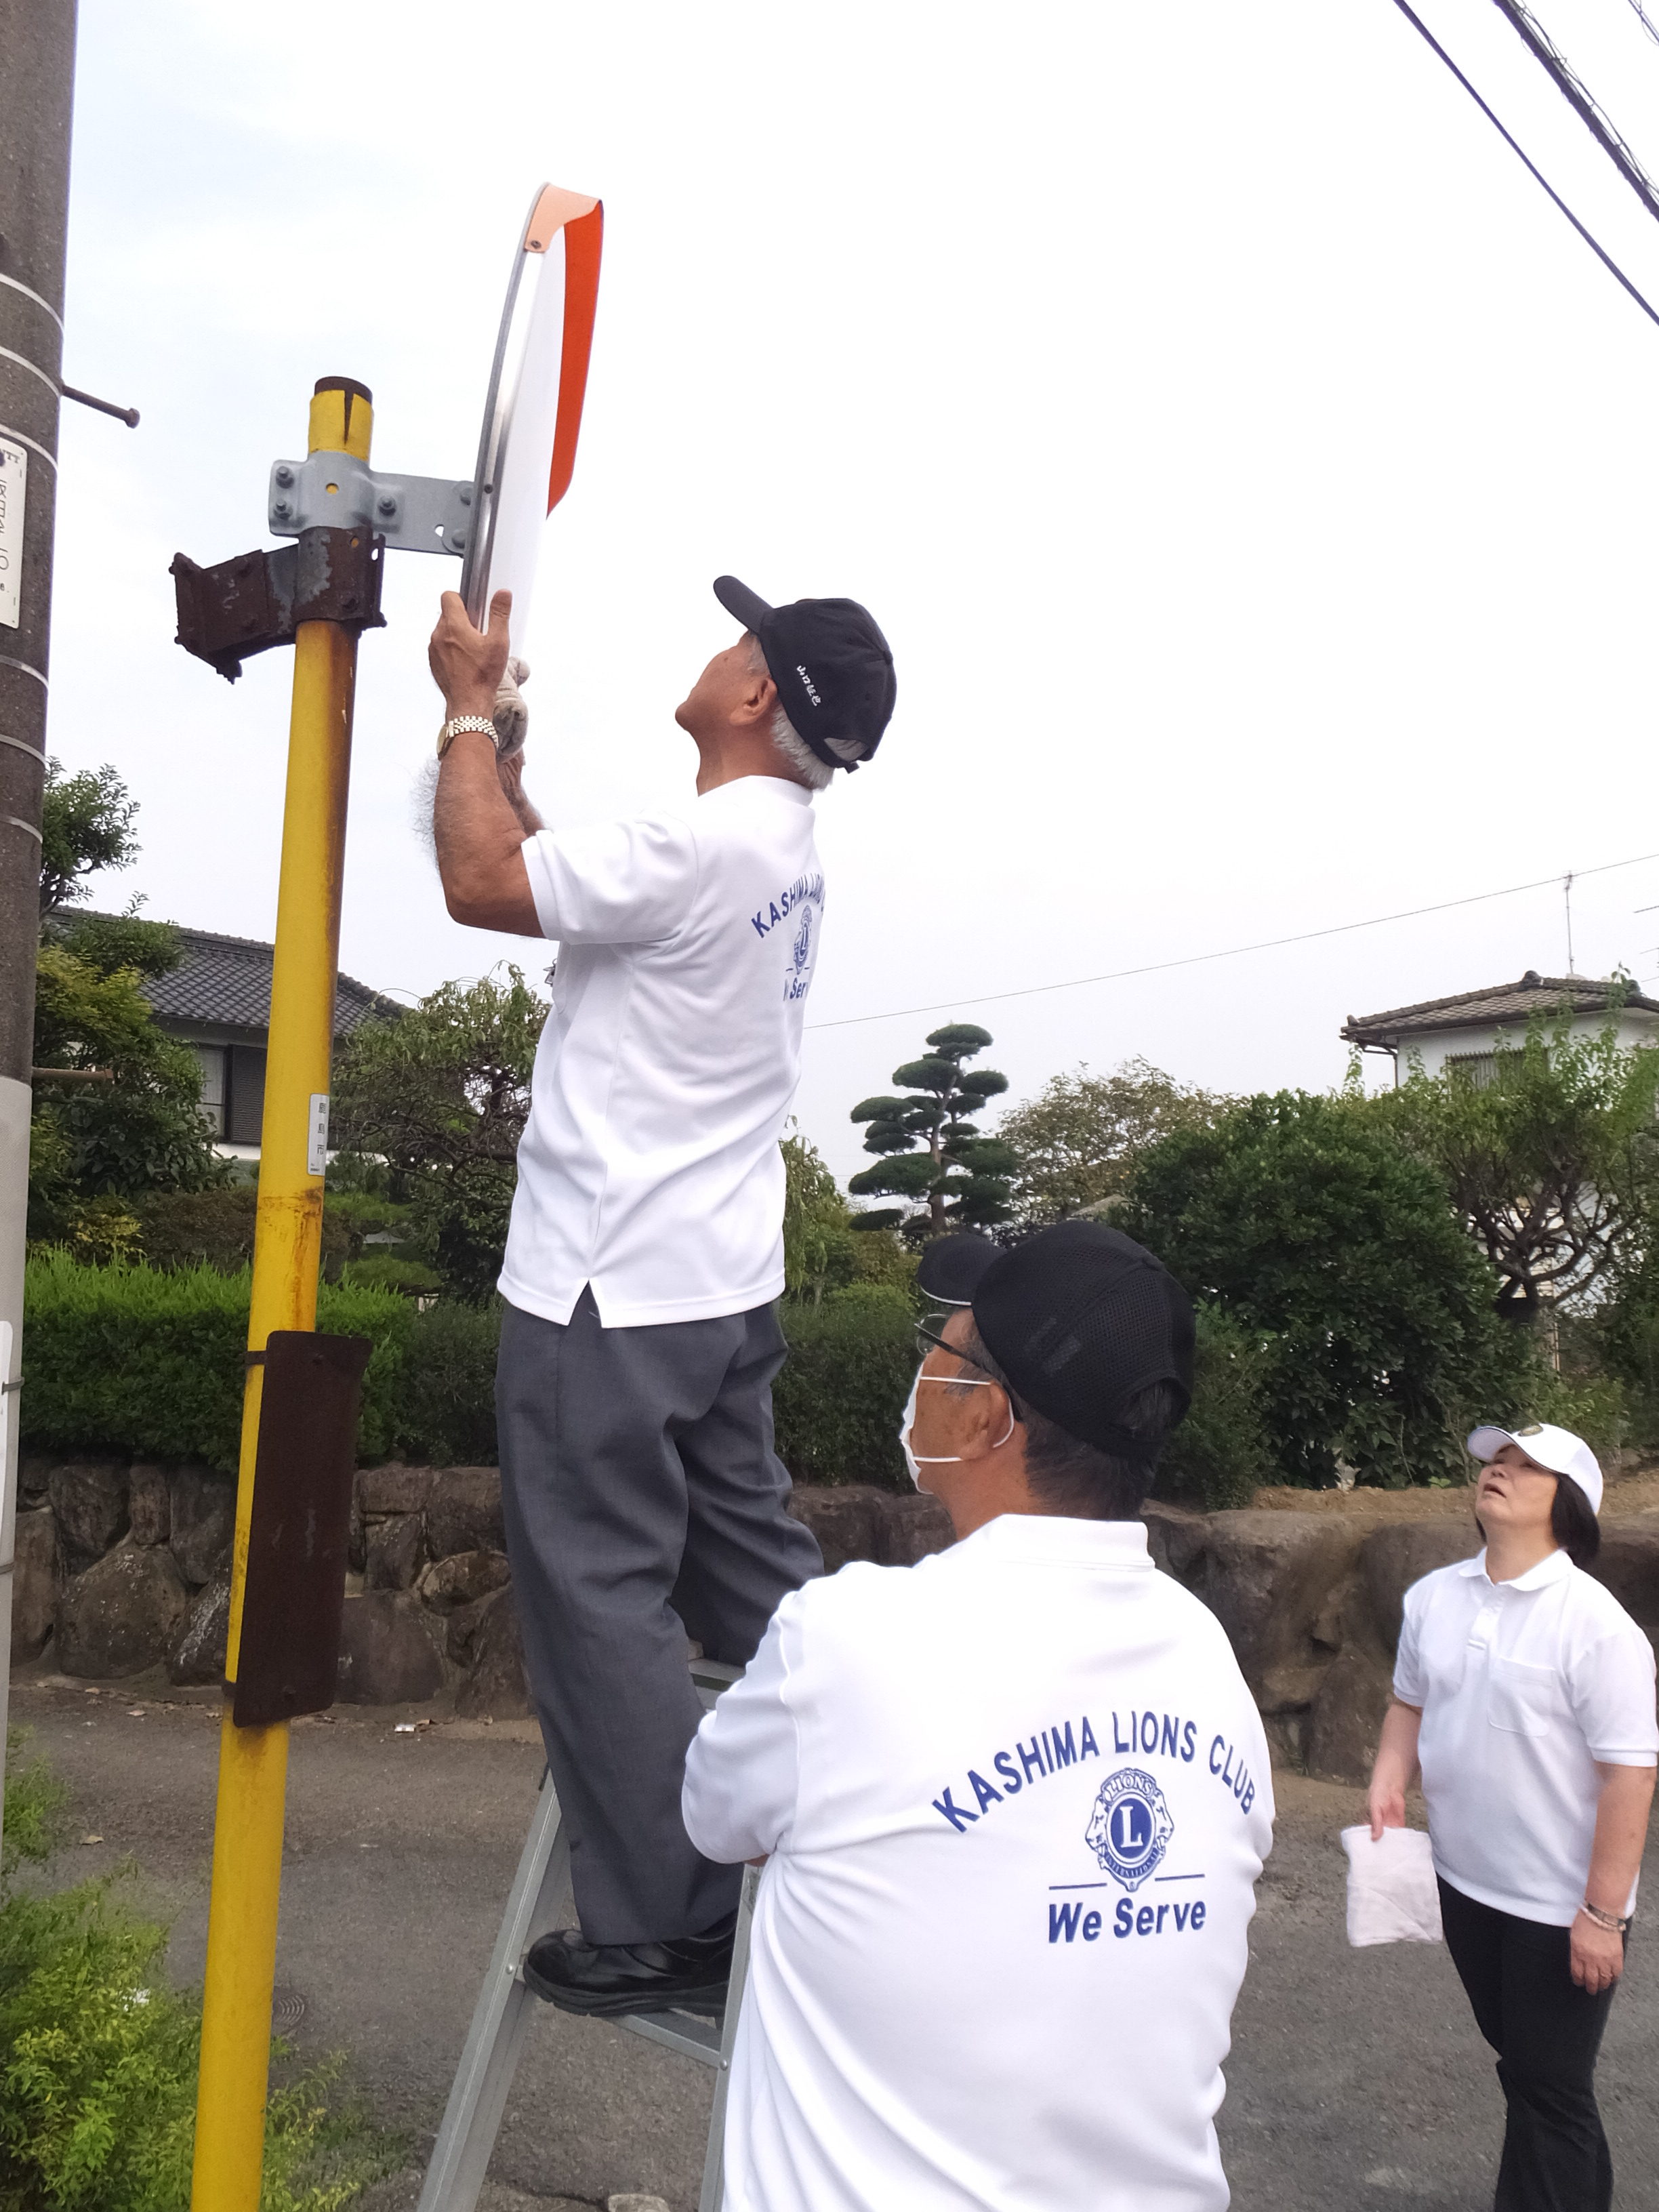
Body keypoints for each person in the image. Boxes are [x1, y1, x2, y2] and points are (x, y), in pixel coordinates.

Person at [426, 572, 897, 2017]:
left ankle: (666, 1921)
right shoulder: (775, 850)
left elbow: (483, 884)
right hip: (713, 1283)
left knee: (600, 1596)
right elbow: (568, 873)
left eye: (735, 641)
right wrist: (500, 745)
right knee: (748, 1568)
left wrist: (456, 712)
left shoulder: (704, 843)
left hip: (604, 1285)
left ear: (754, 693)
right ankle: (882, 1792)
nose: (715, 650)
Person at [682, 1222, 1275, 2211]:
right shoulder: (1204, 1655)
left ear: (986, 1417)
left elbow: (717, 1817)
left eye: (941, 1351)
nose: (922, 1372)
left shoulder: (848, 1639)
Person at [1368, 1422, 1658, 2211]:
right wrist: (1391, 1777)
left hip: (1560, 1904)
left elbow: (1631, 1773)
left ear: (1569, 1507)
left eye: (1528, 1467)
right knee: (1529, 2070)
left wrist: (1602, 1912)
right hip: (1465, 1882)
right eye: (1499, 1461)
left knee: (1551, 2086)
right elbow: (1409, 1702)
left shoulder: (1597, 1627)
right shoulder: (1432, 1598)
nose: (1501, 1471)